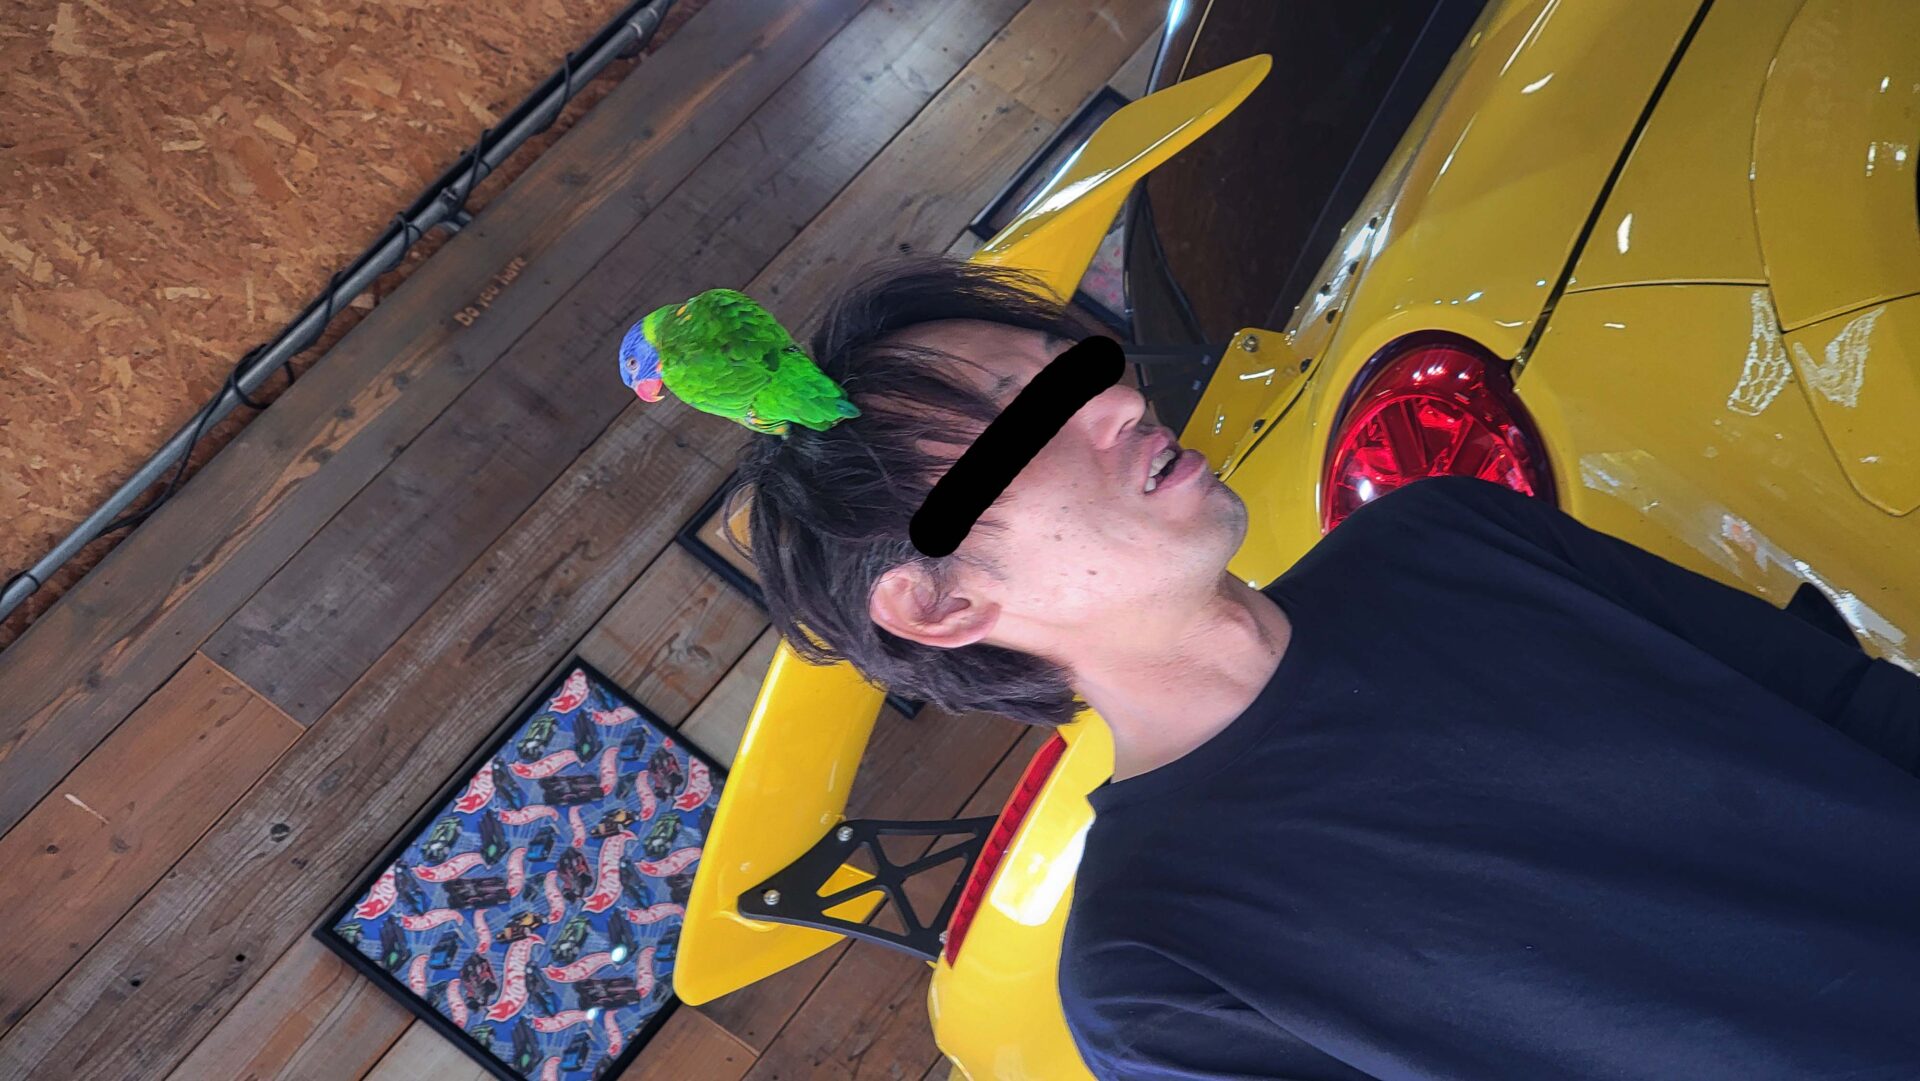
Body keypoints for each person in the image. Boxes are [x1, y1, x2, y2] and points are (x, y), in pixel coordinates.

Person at [730, 253, 1920, 1080]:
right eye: (1027, 417)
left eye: (1080, 365)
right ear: (941, 603)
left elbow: (1847, 699)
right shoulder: (1154, 971)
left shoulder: (1446, 533)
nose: (1119, 401)